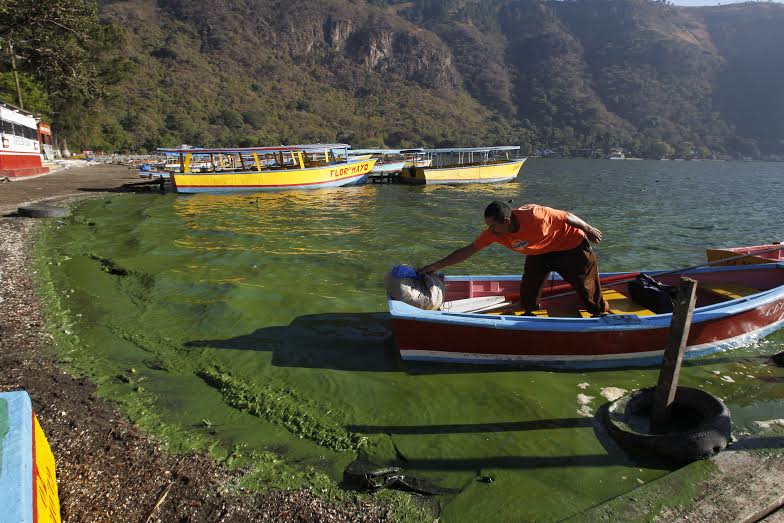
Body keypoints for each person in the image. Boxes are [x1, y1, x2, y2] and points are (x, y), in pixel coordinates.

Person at [419, 201, 610, 316]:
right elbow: (468, 250)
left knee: (587, 287)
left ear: (506, 221)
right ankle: (530, 314)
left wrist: (588, 229)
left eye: (493, 226)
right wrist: (435, 266)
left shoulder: (536, 216)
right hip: (539, 251)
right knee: (529, 287)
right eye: (488, 226)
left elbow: (566, 216)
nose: (490, 230)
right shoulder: (495, 233)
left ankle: (600, 314)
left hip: (570, 245)